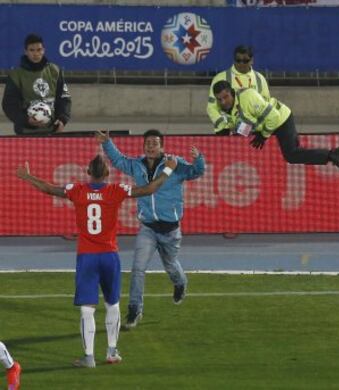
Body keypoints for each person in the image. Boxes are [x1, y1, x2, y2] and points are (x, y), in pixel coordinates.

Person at [16, 153, 177, 368]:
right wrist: (168, 169)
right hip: (110, 255)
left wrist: (28, 177)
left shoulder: (77, 191)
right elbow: (149, 189)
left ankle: (89, 357)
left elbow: (49, 188)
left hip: (87, 257)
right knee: (113, 304)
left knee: (87, 309)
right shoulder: (115, 191)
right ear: (108, 173)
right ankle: (111, 352)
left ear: (88, 172)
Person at [96, 129, 206, 329]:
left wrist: (198, 159)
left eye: (155, 143)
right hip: (147, 228)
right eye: (147, 143)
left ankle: (180, 283)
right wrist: (107, 143)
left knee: (171, 266)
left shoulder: (175, 164)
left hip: (170, 230)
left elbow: (196, 172)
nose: (150, 146)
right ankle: (134, 310)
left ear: (162, 146)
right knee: (138, 269)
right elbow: (119, 161)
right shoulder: (137, 165)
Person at [212, 80, 339, 175]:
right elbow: (241, 124)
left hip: (281, 119)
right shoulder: (222, 108)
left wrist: (264, 135)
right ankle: (333, 155)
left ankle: (334, 154)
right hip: (265, 126)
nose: (223, 102)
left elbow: (274, 117)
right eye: (219, 99)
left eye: (226, 97)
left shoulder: (248, 97)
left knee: (291, 155)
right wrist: (230, 130)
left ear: (232, 92)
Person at [2, 33, 71, 135]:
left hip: (52, 131)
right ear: (26, 52)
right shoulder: (16, 75)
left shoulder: (54, 71)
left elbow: (64, 98)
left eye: (39, 50)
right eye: (32, 50)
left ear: (44, 50)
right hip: (26, 132)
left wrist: (62, 119)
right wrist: (26, 120)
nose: (36, 54)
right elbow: (9, 104)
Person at [207, 45, 270, 135]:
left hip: (254, 131)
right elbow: (211, 107)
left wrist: (261, 127)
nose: (241, 63)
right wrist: (224, 126)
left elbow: (266, 106)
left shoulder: (260, 79)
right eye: (238, 60)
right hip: (227, 131)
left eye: (245, 61)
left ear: (252, 60)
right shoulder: (220, 78)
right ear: (234, 60)